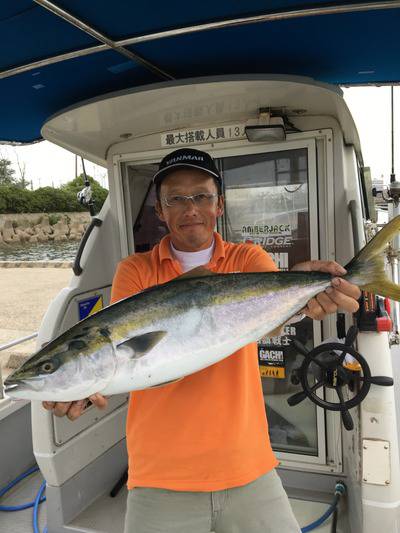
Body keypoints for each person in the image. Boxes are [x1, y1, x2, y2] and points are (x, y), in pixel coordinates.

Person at [43, 148, 361, 532]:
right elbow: (125, 356)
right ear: (160, 210)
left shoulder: (247, 259)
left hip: (248, 466)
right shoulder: (135, 270)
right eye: (176, 198)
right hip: (160, 476)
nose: (190, 207)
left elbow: (272, 320)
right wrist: (82, 384)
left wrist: (313, 297)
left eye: (201, 196)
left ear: (219, 205)